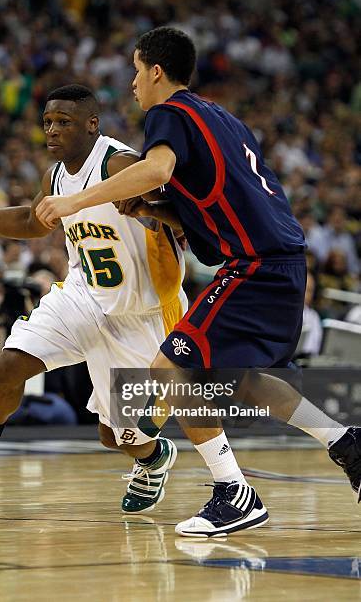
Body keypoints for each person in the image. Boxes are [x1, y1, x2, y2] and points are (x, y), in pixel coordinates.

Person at [35, 28, 361, 537]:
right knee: (244, 380)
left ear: (157, 72)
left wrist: (74, 200)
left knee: (170, 366)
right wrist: (154, 208)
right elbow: (211, 201)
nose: (133, 83)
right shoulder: (222, 117)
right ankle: (346, 443)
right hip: (282, 262)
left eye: (136, 71)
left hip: (253, 265)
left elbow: (156, 166)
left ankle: (235, 493)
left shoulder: (169, 113)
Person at [0, 84, 191, 512]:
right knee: (10, 362)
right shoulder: (56, 176)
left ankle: (154, 459)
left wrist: (168, 221)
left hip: (141, 311)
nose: (53, 131)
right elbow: (31, 220)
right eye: (48, 123)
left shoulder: (119, 163)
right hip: (82, 294)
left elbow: (179, 207)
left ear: (92, 124)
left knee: (117, 436)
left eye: (64, 122)